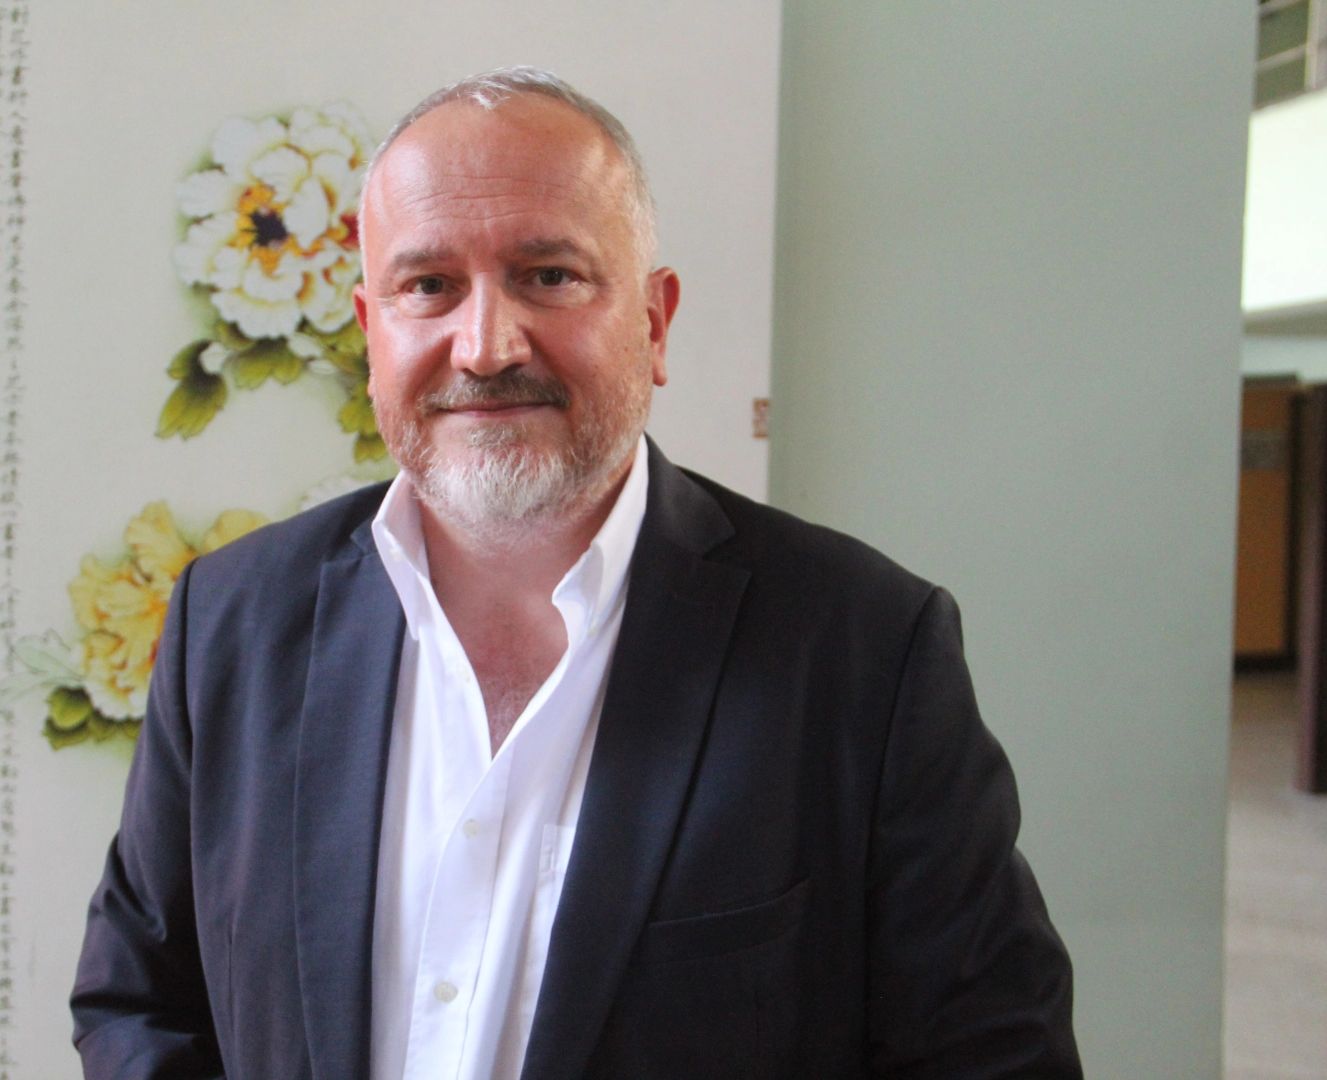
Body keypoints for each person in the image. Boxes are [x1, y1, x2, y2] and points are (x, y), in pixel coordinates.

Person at [71, 67, 1081, 1080]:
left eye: (549, 275)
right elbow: (138, 1002)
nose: (485, 346)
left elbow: (993, 1058)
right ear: (372, 330)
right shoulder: (231, 621)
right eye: (428, 286)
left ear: (653, 323)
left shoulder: (866, 649)